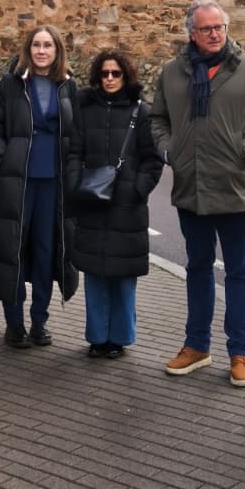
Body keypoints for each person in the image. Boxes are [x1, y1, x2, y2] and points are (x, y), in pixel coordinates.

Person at [150, 0, 245, 388]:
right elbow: (158, 119)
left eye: (219, 27)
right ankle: (196, 346)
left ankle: (240, 352)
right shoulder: (172, 73)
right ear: (191, 33)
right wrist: (169, 151)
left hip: (235, 189)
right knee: (197, 268)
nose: (214, 34)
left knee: (239, 271)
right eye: (206, 29)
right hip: (191, 188)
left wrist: (243, 151)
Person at [0, 23, 78, 347]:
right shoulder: (10, 85)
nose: (41, 51)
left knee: (47, 251)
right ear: (28, 49)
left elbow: (77, 133)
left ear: (57, 50)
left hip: (54, 184)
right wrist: (4, 158)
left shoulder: (68, 86)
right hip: (17, 184)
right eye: (36, 44)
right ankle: (14, 323)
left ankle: (39, 320)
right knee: (14, 249)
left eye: (48, 45)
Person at [65, 48, 164, 358]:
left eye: (115, 73)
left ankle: (119, 338)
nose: (109, 78)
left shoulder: (141, 111)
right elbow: (73, 152)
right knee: (95, 275)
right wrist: (75, 185)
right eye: (104, 73)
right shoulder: (84, 109)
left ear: (125, 76)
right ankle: (97, 337)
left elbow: (153, 159)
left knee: (123, 276)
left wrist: (138, 189)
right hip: (92, 201)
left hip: (127, 206)